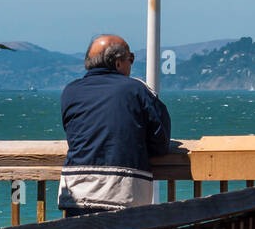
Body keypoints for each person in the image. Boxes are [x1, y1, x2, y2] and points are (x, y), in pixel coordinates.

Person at [57, 34, 172, 215]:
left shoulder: (70, 91)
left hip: (75, 194)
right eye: (130, 58)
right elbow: (161, 141)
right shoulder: (136, 90)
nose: (131, 63)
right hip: (122, 194)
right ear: (118, 63)